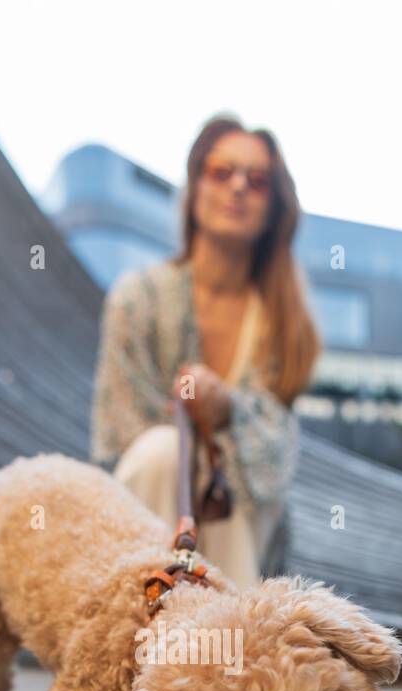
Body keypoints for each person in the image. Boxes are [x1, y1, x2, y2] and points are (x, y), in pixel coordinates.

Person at [90, 114, 321, 589]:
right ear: (195, 186)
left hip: (247, 513)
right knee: (162, 454)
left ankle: (218, 648)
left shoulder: (284, 324)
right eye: (222, 171)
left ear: (274, 207)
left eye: (257, 181)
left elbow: (275, 453)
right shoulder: (137, 299)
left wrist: (225, 410)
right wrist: (195, 423)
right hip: (150, 501)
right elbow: (118, 436)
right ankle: (208, 641)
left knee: (227, 481)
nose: (238, 186)